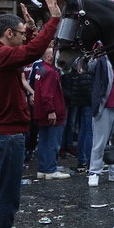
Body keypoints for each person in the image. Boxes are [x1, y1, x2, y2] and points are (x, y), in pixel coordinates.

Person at [0, 0, 61, 228]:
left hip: (9, 133)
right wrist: (54, 20)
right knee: (5, 196)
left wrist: (33, 29)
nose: (25, 36)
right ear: (9, 33)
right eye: (22, 33)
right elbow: (31, 52)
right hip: (5, 135)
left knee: (10, 196)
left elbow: (25, 48)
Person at [32, 47, 70, 179]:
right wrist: (51, 110)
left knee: (44, 140)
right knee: (53, 142)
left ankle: (43, 168)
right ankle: (50, 169)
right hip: (51, 112)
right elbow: (48, 94)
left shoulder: (41, 69)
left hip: (41, 112)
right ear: (49, 57)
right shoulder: (50, 72)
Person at [88, 55, 114, 187]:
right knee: (99, 142)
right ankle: (94, 172)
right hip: (105, 107)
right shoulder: (101, 60)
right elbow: (88, 67)